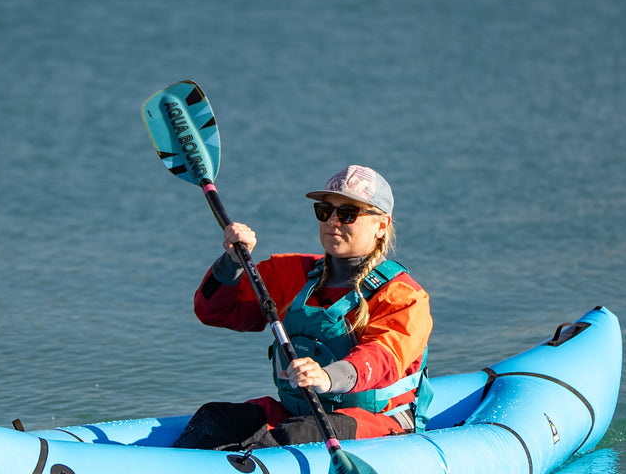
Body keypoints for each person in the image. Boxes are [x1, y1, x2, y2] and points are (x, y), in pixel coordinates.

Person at [172, 165, 432, 450]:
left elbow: (382, 358)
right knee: (215, 418)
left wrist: (327, 377)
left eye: (347, 213)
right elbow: (214, 311)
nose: (333, 221)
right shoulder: (290, 273)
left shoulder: (403, 296)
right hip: (301, 412)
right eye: (325, 211)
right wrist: (232, 262)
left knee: (295, 435)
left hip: (379, 420)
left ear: (382, 225)